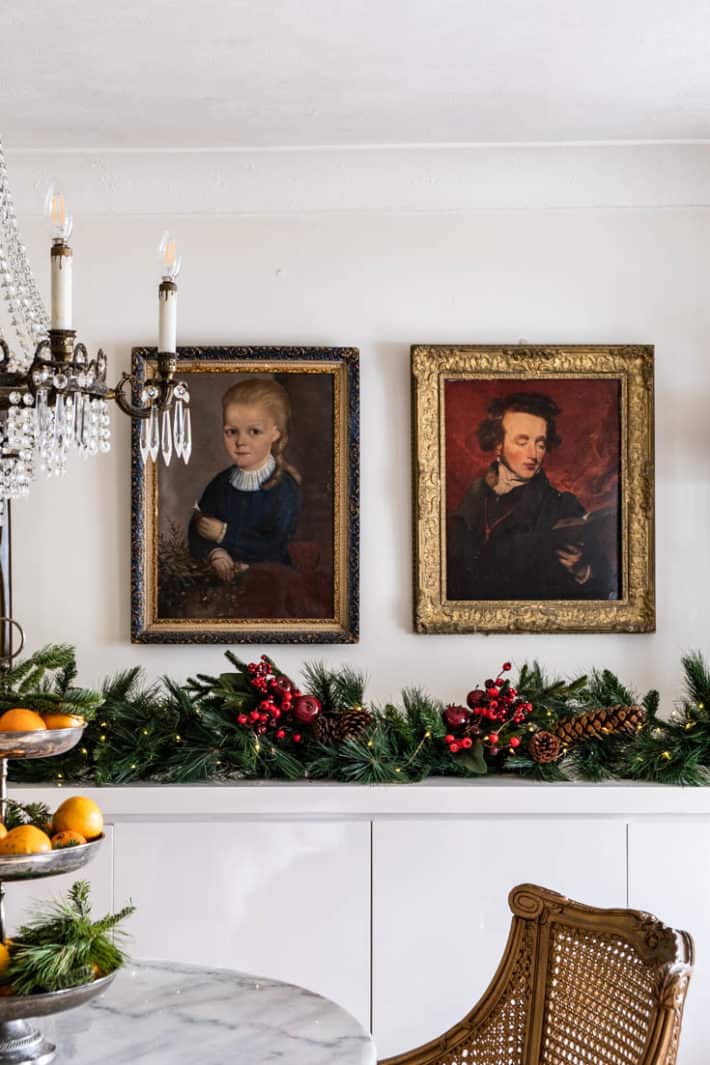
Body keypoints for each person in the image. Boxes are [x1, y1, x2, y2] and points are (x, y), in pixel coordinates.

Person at [446, 391, 616, 601]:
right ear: (498, 445)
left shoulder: (562, 506)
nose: (534, 454)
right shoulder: (473, 496)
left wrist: (582, 571)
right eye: (522, 442)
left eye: (540, 444)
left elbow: (604, 586)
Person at [188, 377, 301, 582]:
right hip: (224, 583)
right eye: (232, 432)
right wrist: (215, 553)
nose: (240, 441)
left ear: (275, 433)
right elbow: (197, 532)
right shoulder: (220, 484)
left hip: (273, 582)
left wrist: (224, 535)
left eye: (254, 431)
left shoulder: (285, 488)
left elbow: (275, 546)